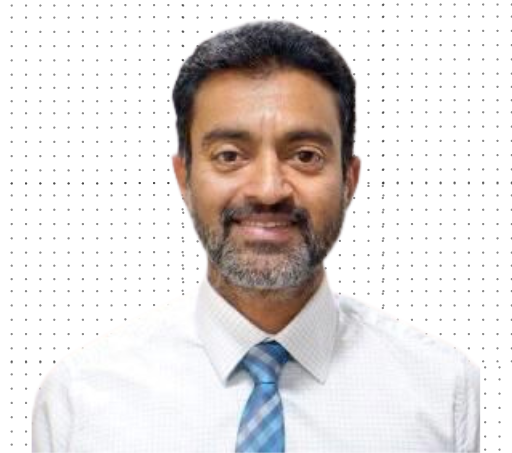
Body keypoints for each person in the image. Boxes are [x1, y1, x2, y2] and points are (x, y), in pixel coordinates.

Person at [32, 20, 480, 453]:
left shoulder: (443, 393)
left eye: (305, 156)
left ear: (349, 178)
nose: (268, 190)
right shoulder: (81, 401)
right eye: (229, 155)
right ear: (184, 177)